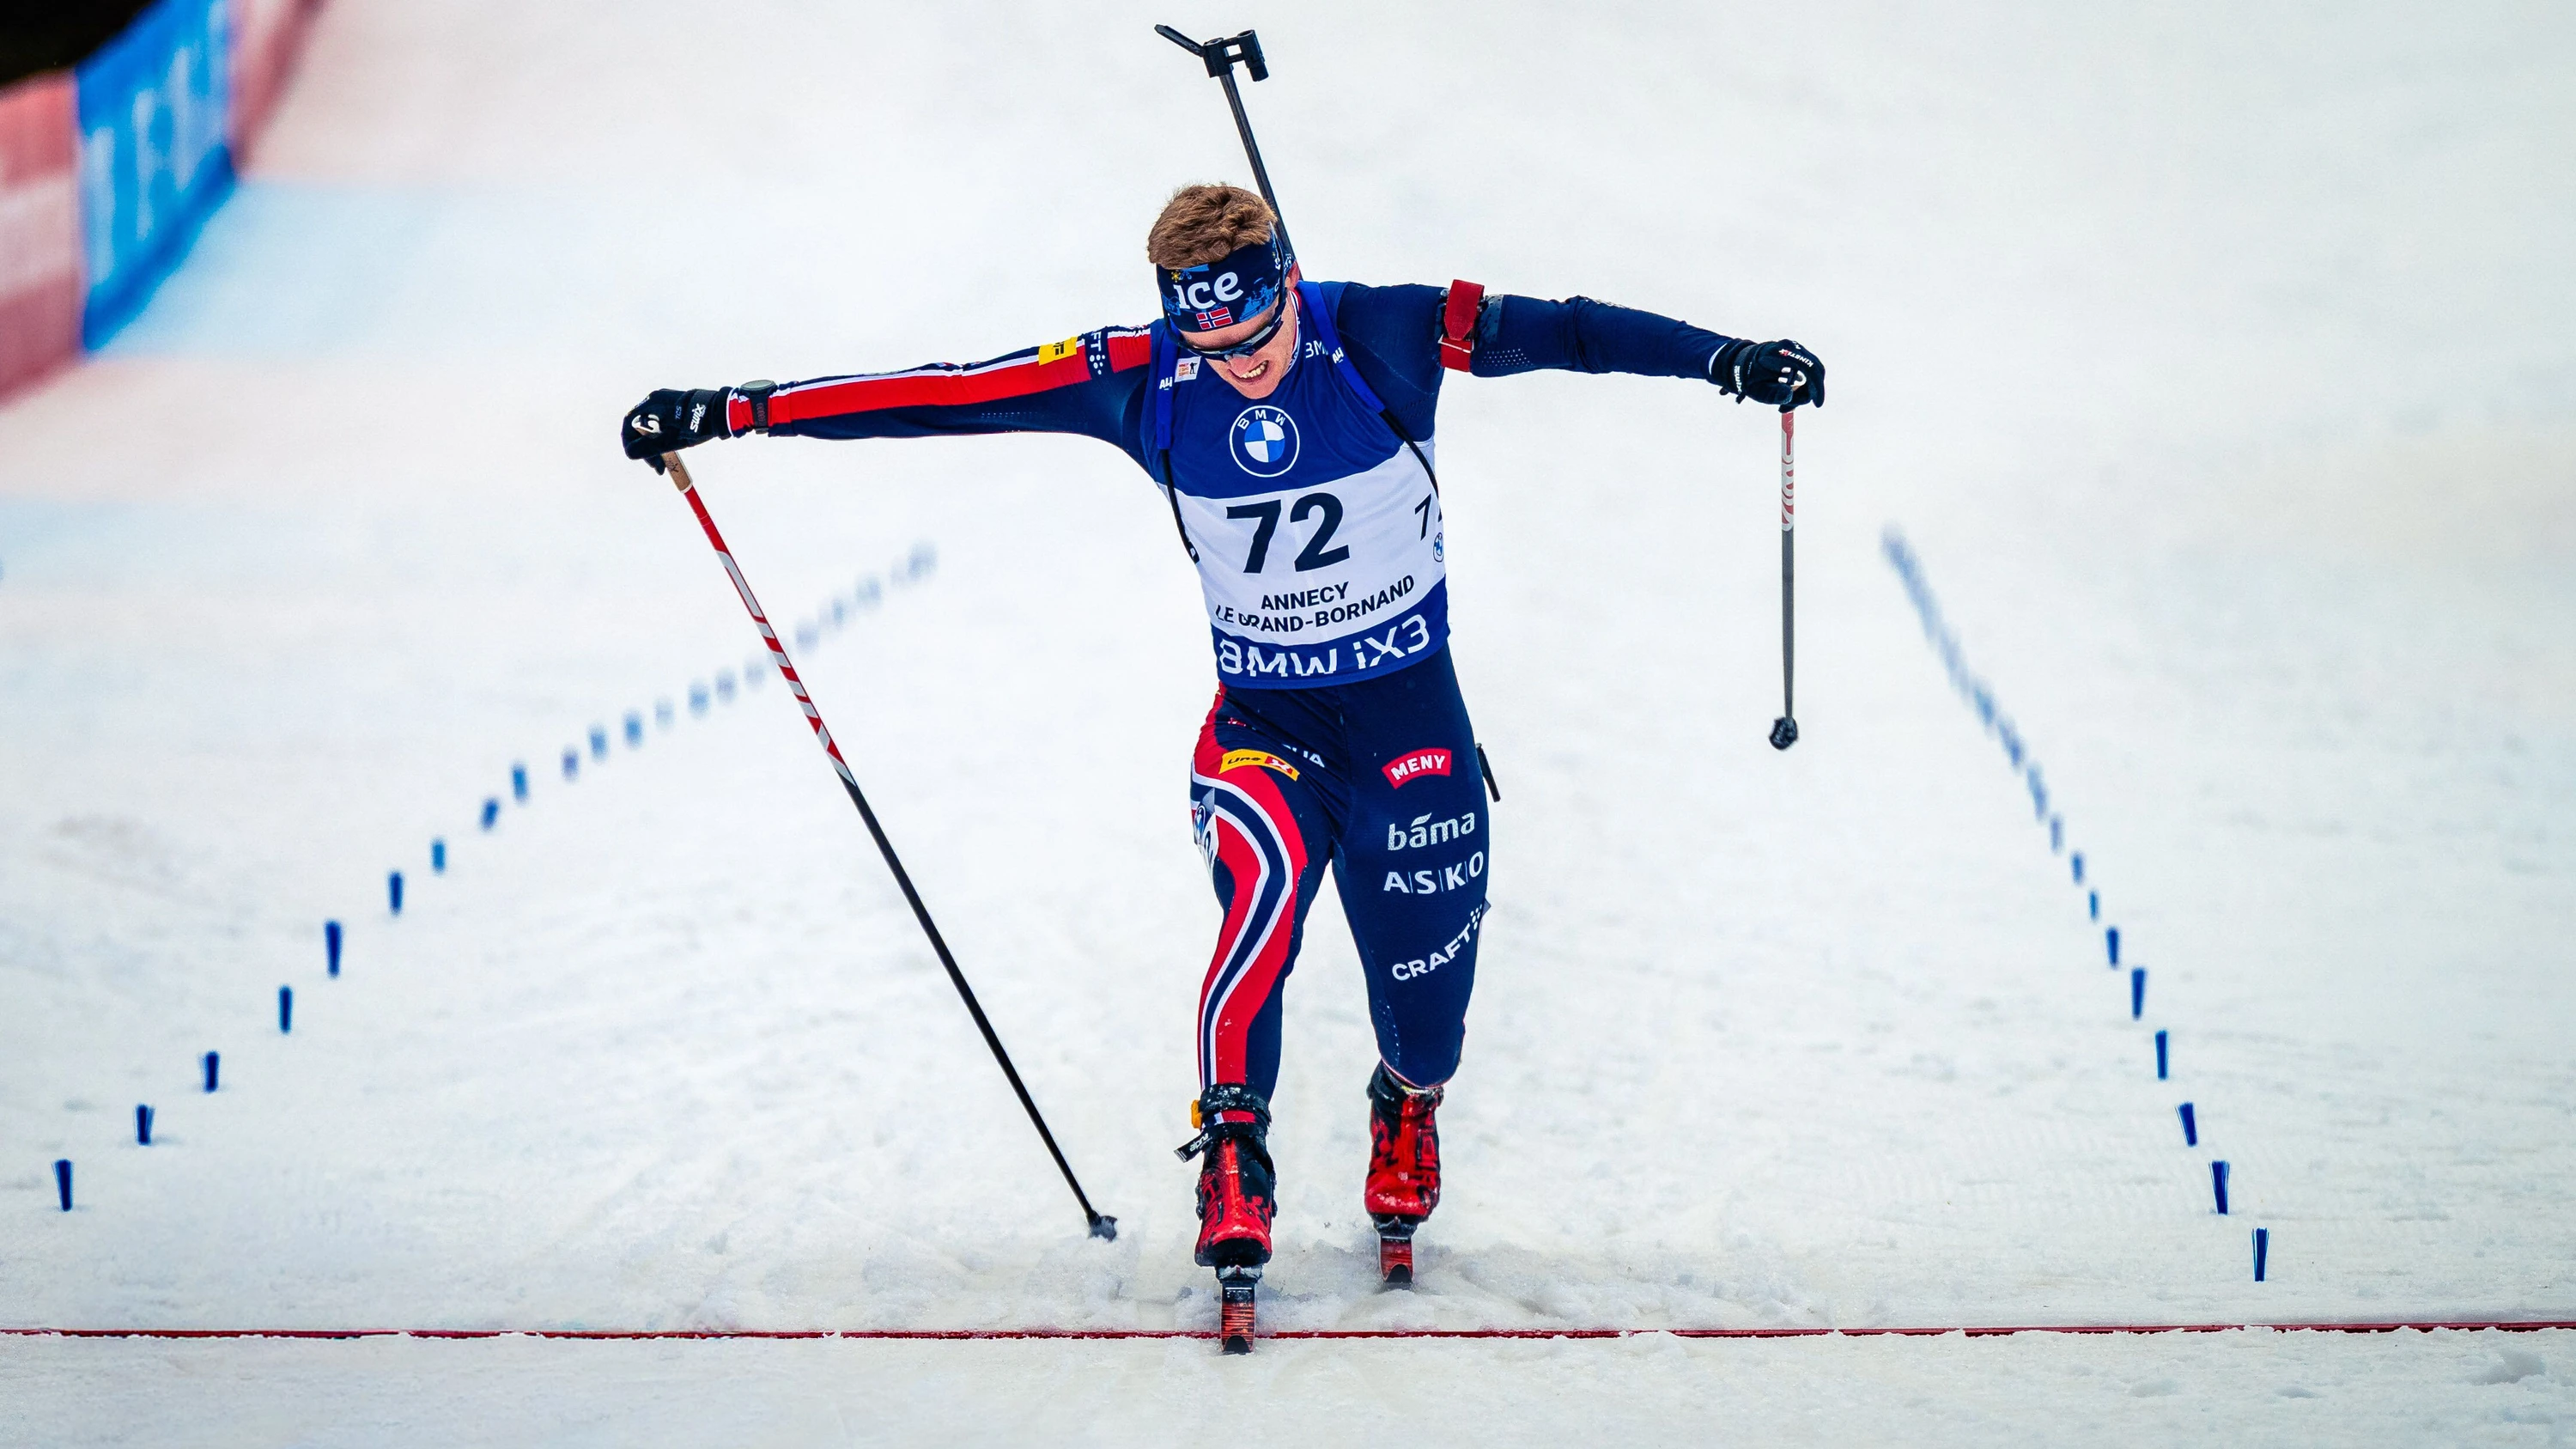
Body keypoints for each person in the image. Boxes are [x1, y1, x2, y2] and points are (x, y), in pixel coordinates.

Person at [621, 183, 1823, 1318]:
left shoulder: (1388, 331)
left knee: (1430, 1015)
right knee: (1262, 899)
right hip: (1266, 729)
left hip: (1411, 730)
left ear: (1286, 282)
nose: (1241, 365)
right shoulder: (1142, 376)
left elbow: (1566, 330)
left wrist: (1726, 358)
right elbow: (952, 392)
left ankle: (1405, 1103)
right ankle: (1234, 1157)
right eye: (1212, 344)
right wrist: (740, 409)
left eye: (1256, 334)